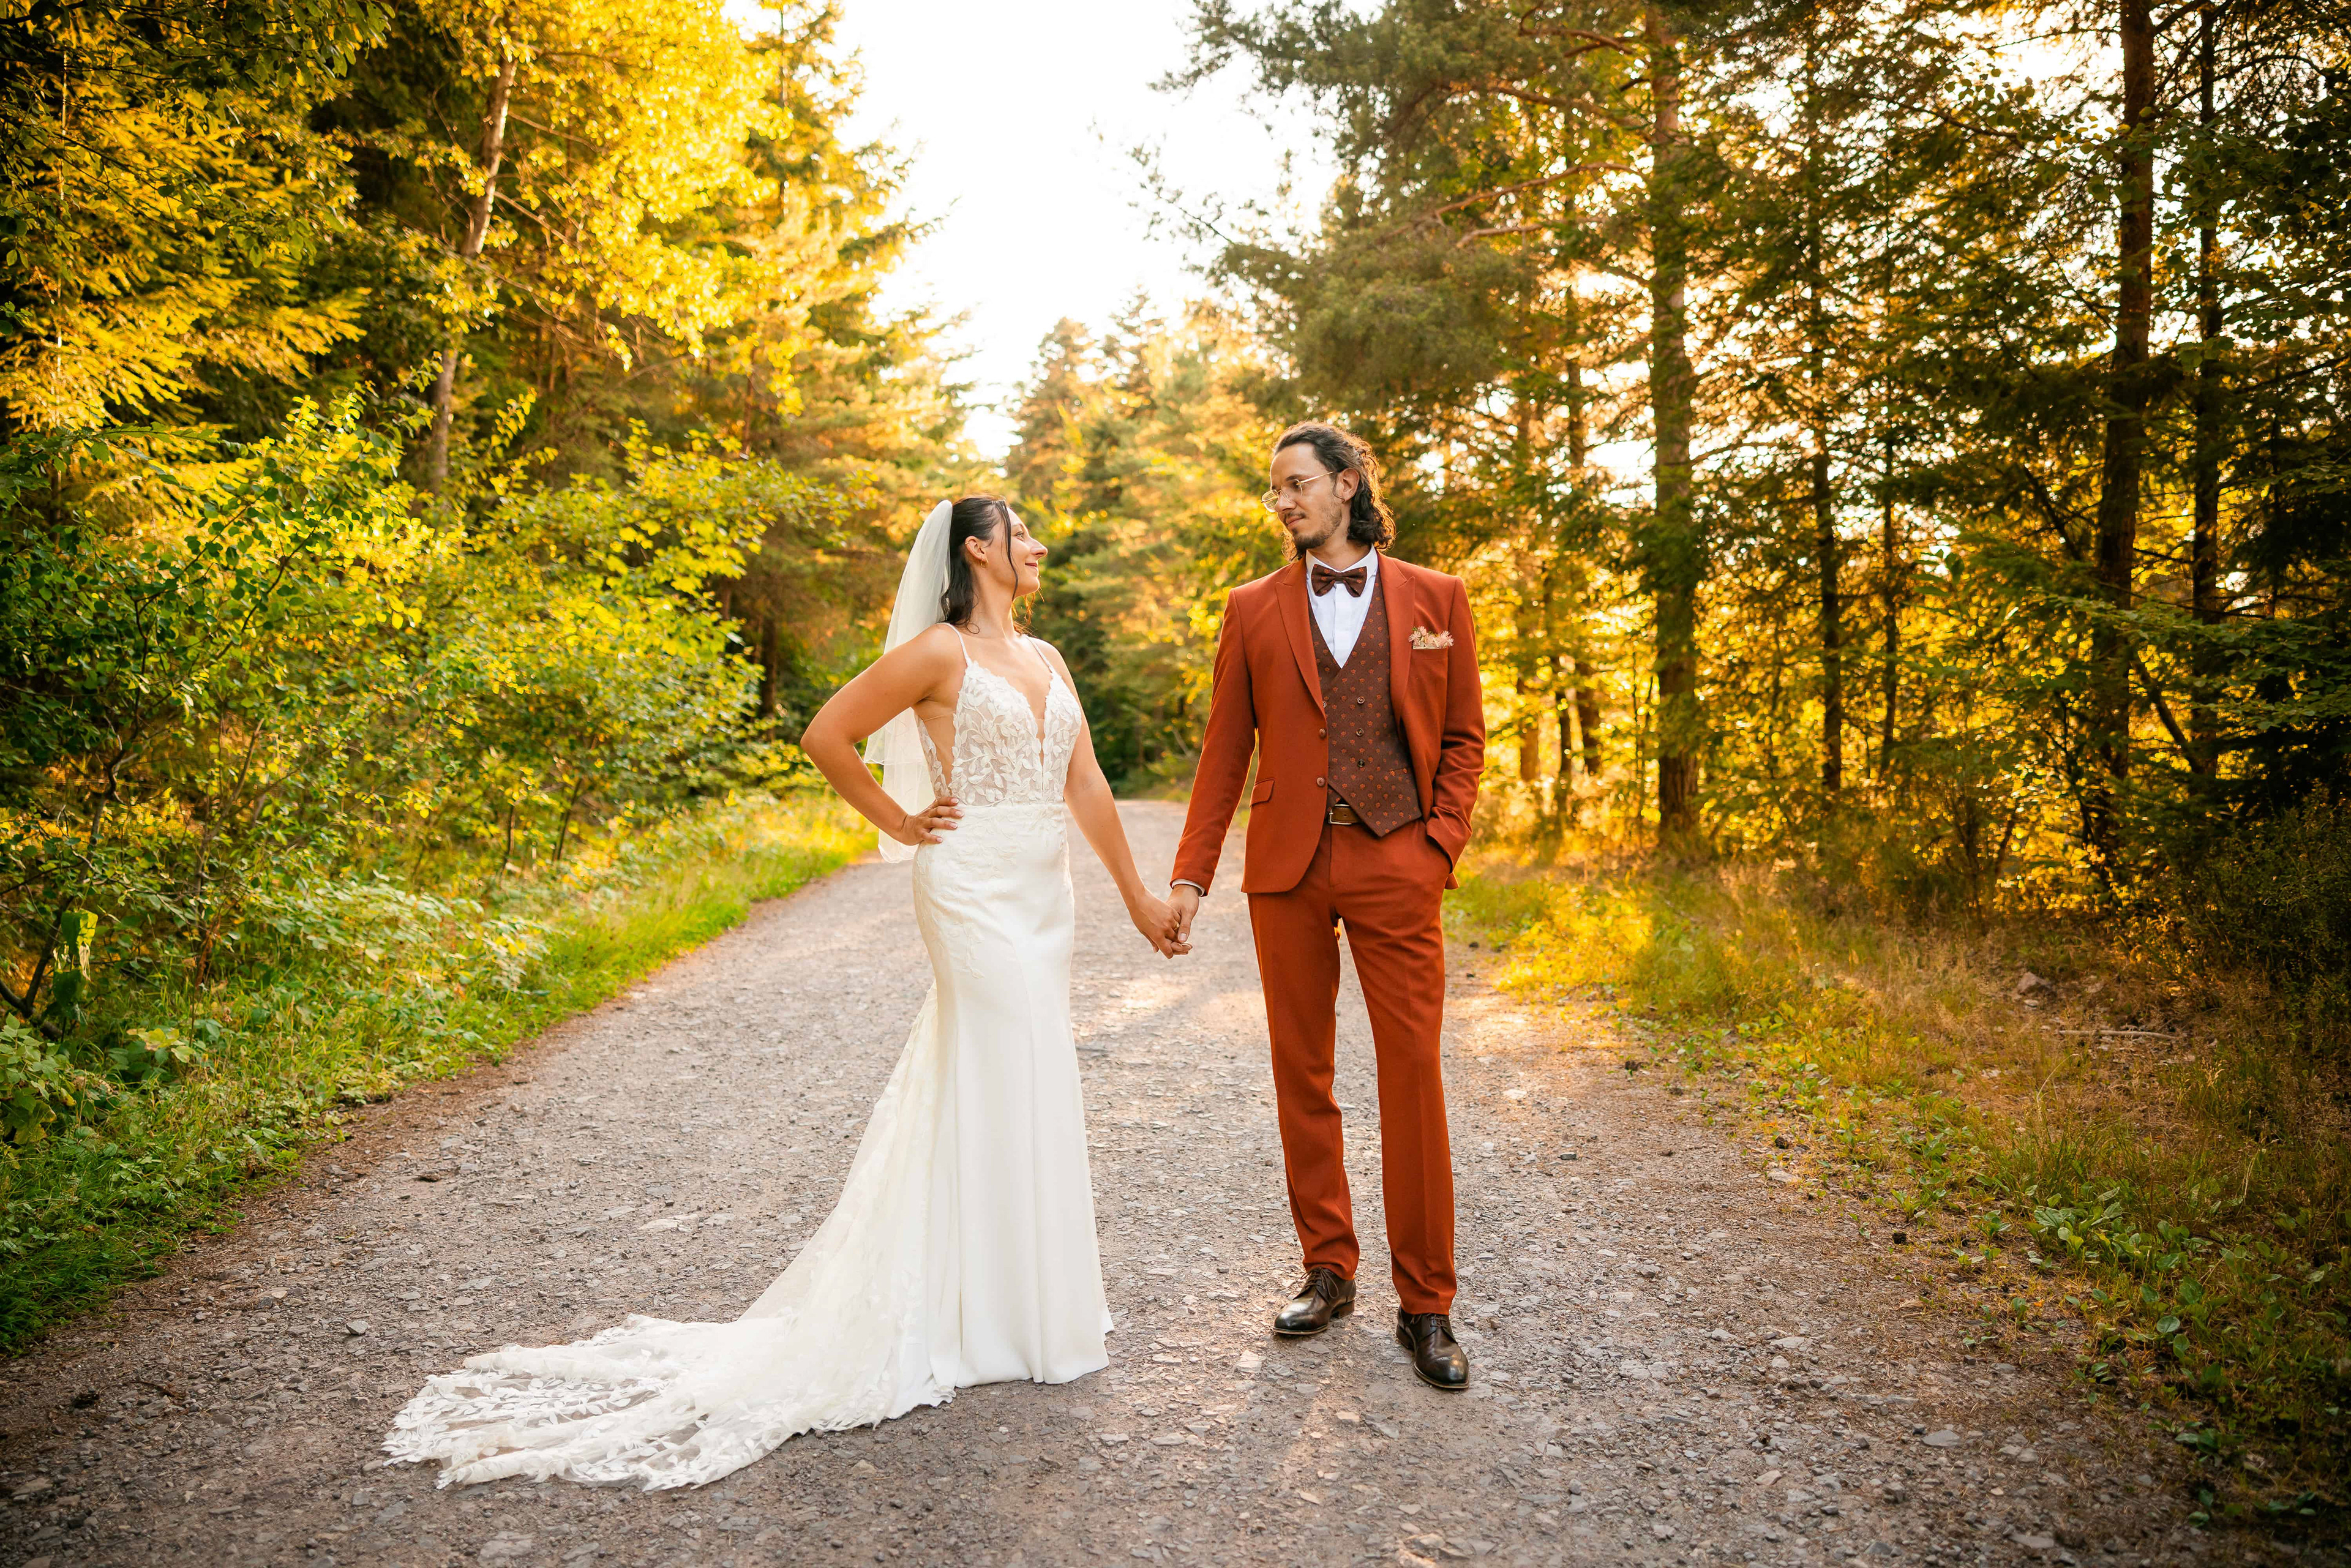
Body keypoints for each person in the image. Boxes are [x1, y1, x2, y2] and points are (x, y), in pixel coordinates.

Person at [383, 495, 1183, 1489]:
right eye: (1022, 533)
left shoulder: (1052, 659)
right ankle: (970, 1314)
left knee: (1025, 1069)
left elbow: (1090, 783)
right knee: (1005, 1049)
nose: (1040, 545)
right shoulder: (938, 652)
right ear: (978, 549)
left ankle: (1021, 1302)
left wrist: (1141, 898)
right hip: (971, 883)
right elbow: (827, 732)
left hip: (1041, 889)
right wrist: (902, 816)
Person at [1166, 422, 1485, 1390]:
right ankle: (1329, 1267)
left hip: (1399, 862)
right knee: (1302, 1070)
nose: (1283, 502)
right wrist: (1190, 875)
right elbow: (1226, 751)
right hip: (1289, 869)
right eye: (1274, 490)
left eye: (1297, 484)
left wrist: (1437, 846)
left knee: (1412, 1074)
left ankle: (1426, 1302)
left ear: (1347, 485)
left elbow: (1466, 737)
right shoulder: (1252, 608)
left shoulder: (1437, 598)